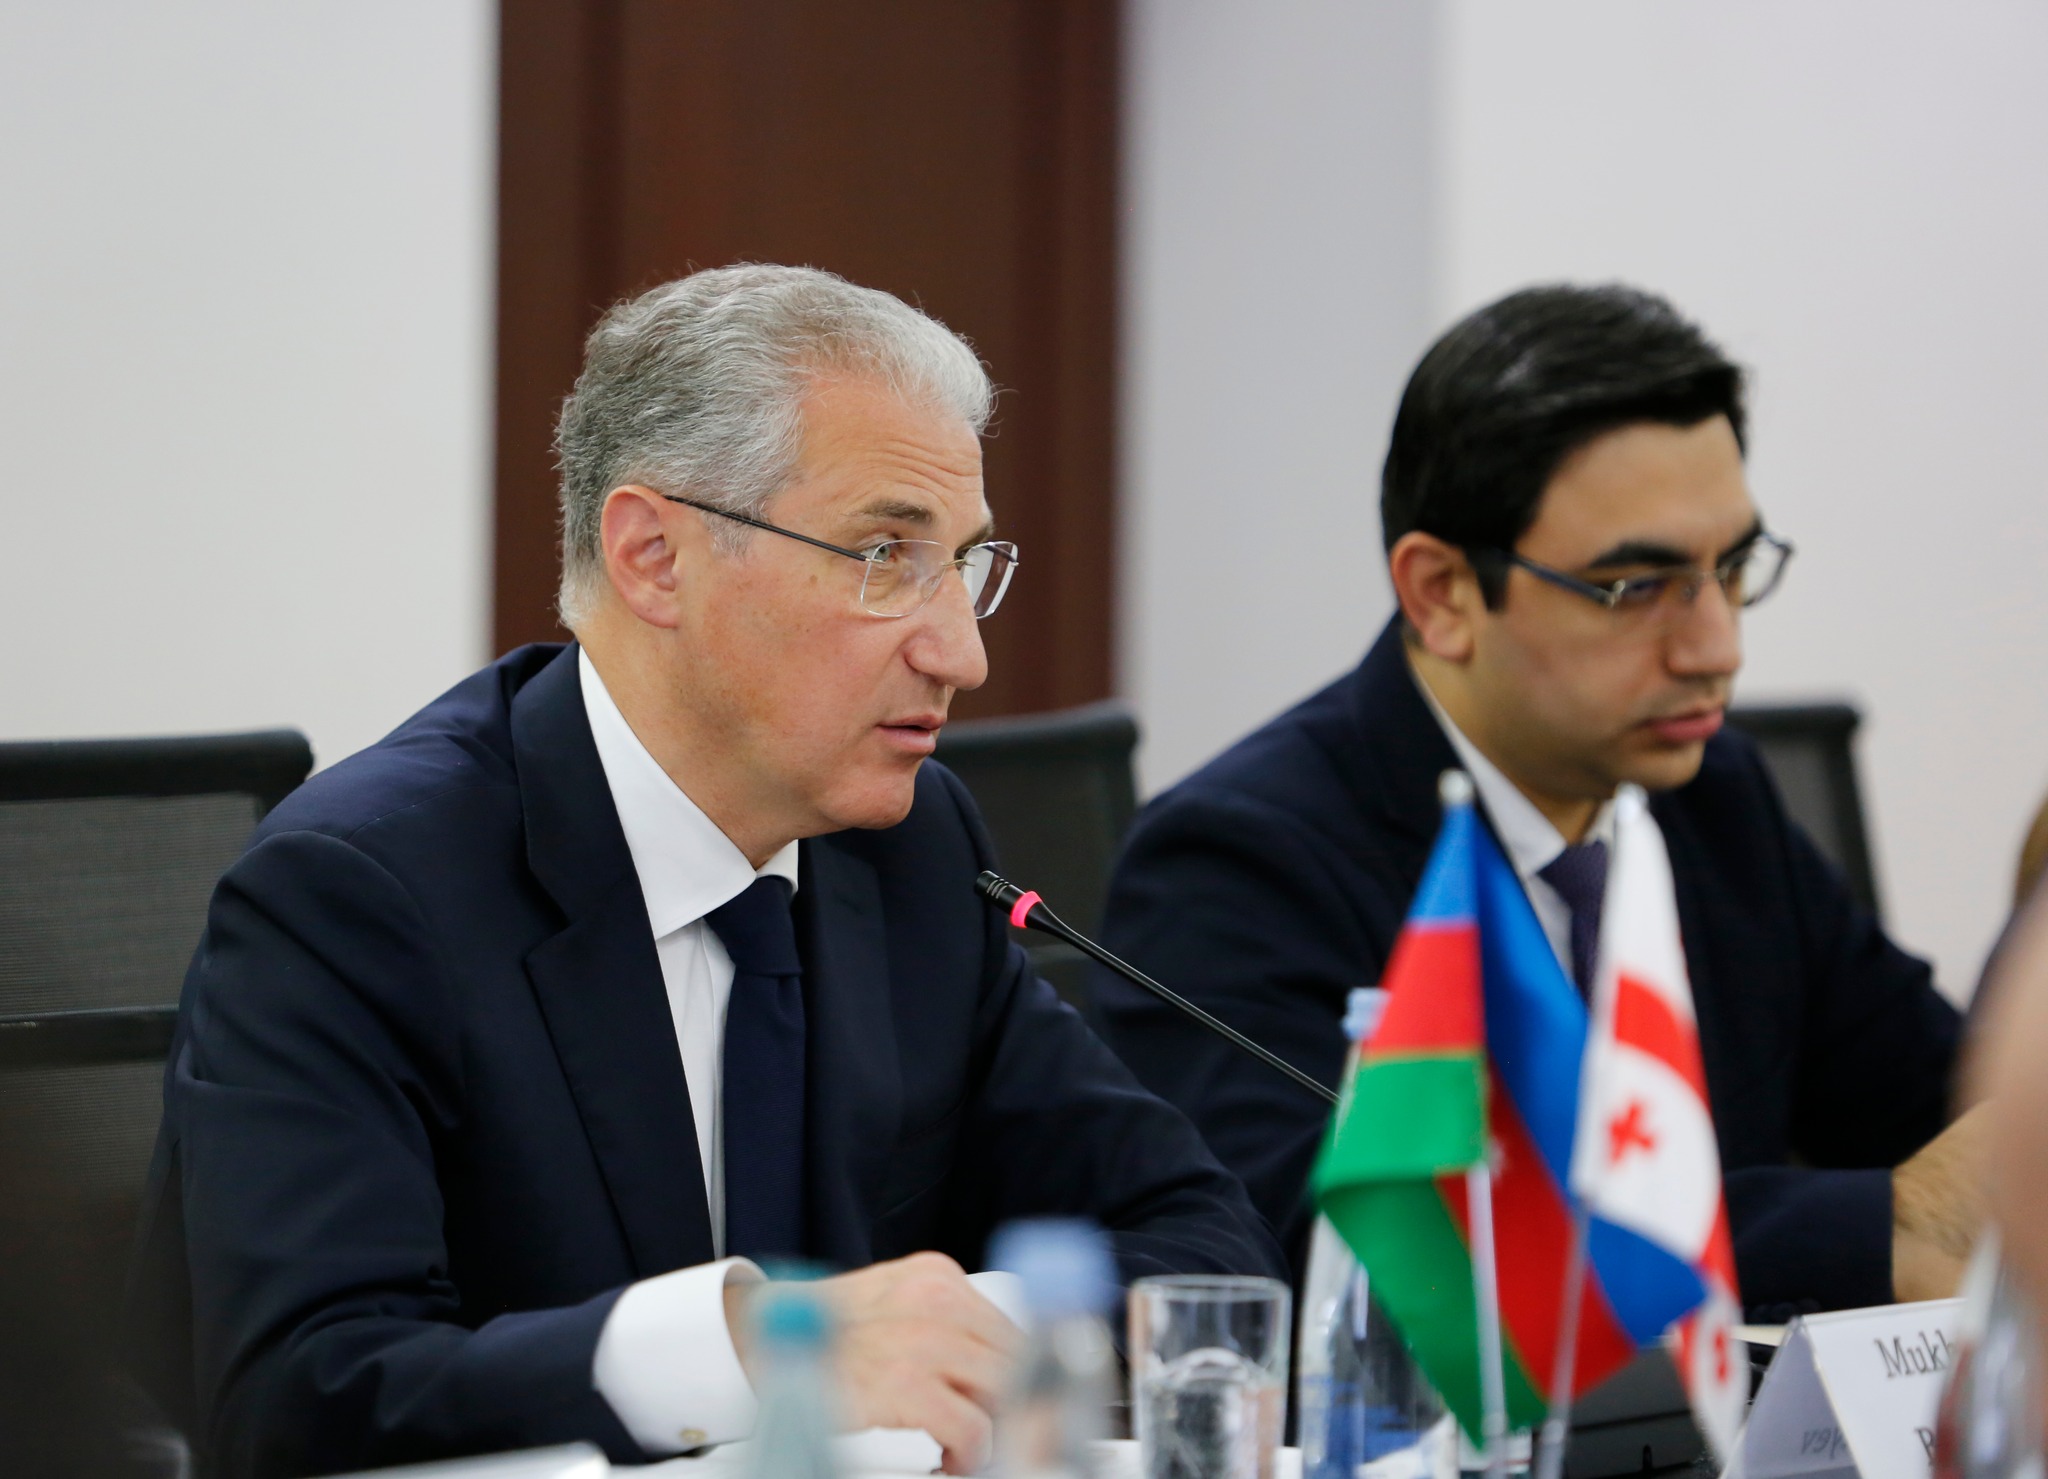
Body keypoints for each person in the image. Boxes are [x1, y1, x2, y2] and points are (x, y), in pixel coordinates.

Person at [131, 265, 1282, 1478]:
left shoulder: (910, 849)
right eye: (885, 554)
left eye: (963, 563)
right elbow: (300, 1393)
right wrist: (757, 1349)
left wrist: (949, 1338)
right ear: (654, 557)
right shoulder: (360, 892)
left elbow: (1200, 1242)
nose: (962, 653)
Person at [1094, 283, 1978, 1325]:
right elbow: (1356, 1259)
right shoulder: (1238, 862)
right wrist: (1883, 1225)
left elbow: (1943, 1099)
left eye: (1733, 567)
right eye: (1635, 586)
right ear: (1441, 594)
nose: (1717, 648)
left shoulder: (1715, 797)